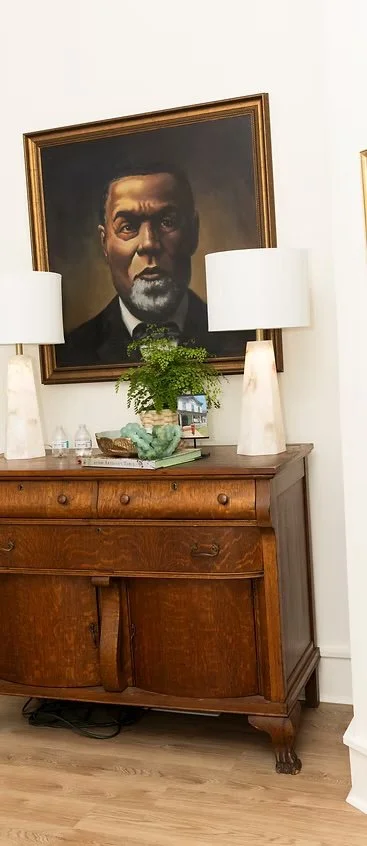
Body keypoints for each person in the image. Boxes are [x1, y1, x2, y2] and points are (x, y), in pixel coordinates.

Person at [57, 163, 252, 367]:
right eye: (128, 227)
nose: (149, 243)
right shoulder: (72, 352)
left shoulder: (241, 341)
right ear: (104, 243)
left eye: (167, 222)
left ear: (193, 233)